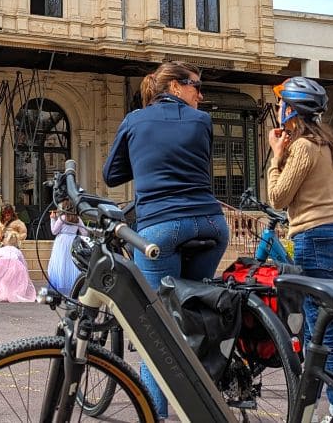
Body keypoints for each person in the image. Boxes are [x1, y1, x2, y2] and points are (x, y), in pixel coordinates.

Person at [104, 61, 228, 420]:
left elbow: (111, 175)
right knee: (198, 314)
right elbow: (196, 163)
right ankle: (208, 399)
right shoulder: (202, 122)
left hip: (160, 228)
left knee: (154, 326)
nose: (200, 95)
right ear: (174, 86)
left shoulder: (134, 121)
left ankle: (154, 414)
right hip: (211, 224)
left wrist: (142, 161)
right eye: (196, 86)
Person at [264, 75, 333, 420]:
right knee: (322, 323)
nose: (277, 110)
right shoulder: (330, 142)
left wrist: (276, 155)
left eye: (280, 104)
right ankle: (318, 403)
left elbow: (278, 196)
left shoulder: (302, 146)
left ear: (291, 109)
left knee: (321, 328)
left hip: (315, 237)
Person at [47, 204, 88, 296]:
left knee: (60, 263)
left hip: (61, 242)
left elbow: (54, 231)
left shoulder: (62, 217)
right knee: (72, 264)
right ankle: (73, 287)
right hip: (73, 241)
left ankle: (59, 287)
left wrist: (52, 219)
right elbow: (84, 233)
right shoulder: (77, 219)